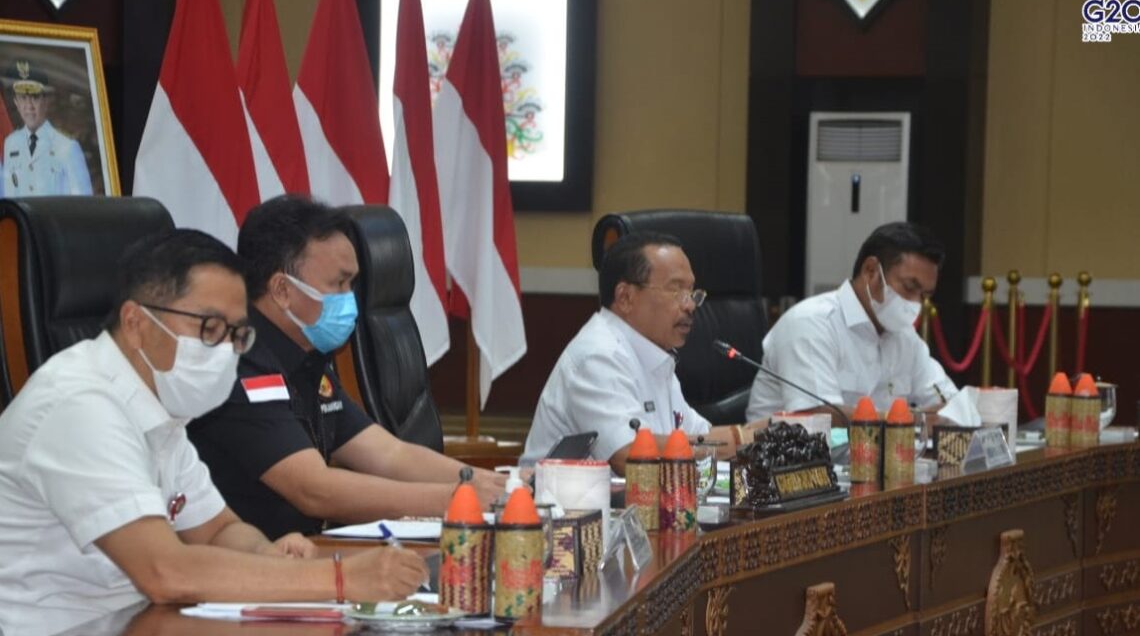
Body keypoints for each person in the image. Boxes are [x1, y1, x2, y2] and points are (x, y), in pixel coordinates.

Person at [0, 229, 426, 636]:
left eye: (236, 334)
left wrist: (266, 554)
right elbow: (165, 572)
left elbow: (217, 530)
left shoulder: (160, 406)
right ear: (135, 323)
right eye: (209, 328)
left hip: (145, 620)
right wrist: (337, 578)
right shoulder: (79, 407)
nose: (224, 350)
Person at [188, 195, 505, 540]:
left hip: (305, 555)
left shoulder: (307, 358)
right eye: (338, 284)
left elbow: (389, 454)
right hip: (248, 566)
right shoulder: (242, 362)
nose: (350, 298)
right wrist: (456, 498)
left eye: (352, 285)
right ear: (282, 290)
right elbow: (315, 490)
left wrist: (485, 483)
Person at [522, 231, 761, 475]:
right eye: (676, 290)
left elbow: (699, 436)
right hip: (558, 509)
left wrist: (763, 433)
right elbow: (629, 454)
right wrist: (741, 438)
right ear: (625, 297)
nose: (690, 305)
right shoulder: (598, 355)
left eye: (692, 293)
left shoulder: (655, 355)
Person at [746, 221, 958, 423]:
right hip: (786, 458)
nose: (915, 303)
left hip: (867, 459)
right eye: (910, 287)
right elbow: (818, 416)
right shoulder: (811, 324)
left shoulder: (904, 337)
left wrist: (953, 412)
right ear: (871, 271)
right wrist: (907, 420)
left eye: (924, 295)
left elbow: (950, 403)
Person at [2, 59, 93, 197]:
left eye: (35, 97)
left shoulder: (67, 147)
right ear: (16, 102)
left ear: (45, 101)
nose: (29, 106)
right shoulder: (10, 143)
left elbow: (82, 207)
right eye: (23, 98)